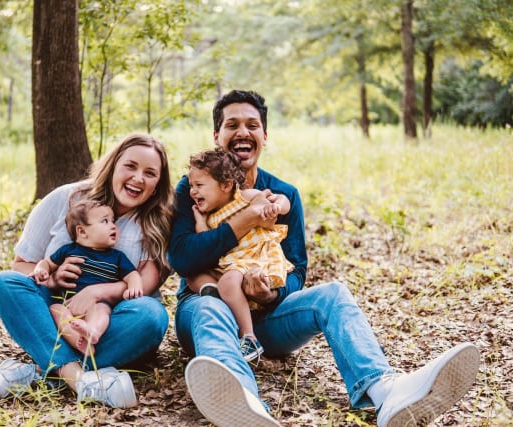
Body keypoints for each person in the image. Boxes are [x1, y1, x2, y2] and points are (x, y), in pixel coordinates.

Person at [168, 90, 480, 427]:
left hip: (266, 319)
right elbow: (182, 259)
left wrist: (271, 293)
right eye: (232, 125)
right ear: (217, 136)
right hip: (206, 315)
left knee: (332, 294)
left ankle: (384, 391)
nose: (243, 132)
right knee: (209, 304)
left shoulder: (282, 194)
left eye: (252, 125)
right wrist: (246, 219)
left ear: (264, 136)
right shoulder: (193, 188)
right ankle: (242, 404)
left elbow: (297, 269)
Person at [0, 133, 173, 408]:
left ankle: (38, 371)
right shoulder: (66, 198)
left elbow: (144, 285)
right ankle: (80, 379)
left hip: (109, 318)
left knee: (152, 315)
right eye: (130, 166)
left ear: (157, 184)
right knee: (4, 283)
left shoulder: (157, 223)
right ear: (114, 165)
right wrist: (53, 278)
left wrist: (98, 292)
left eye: (150, 173)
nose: (138, 178)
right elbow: (22, 264)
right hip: (56, 308)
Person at [185, 148, 293, 362]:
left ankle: (248, 336)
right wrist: (199, 221)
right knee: (192, 277)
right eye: (191, 186)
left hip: (254, 259)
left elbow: (282, 199)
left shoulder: (246, 197)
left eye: (199, 186)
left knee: (228, 280)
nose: (192, 192)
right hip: (230, 263)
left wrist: (277, 207)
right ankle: (214, 294)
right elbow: (205, 244)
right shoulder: (210, 215)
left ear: (226, 185)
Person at [31, 199, 144, 356]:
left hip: (96, 304)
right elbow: (47, 263)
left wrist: (134, 286)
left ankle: (92, 331)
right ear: (82, 232)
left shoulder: (116, 257)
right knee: (55, 310)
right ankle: (77, 340)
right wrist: (41, 270)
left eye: (113, 221)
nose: (113, 226)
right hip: (68, 304)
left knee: (102, 310)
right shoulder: (68, 251)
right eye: (105, 221)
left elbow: (132, 275)